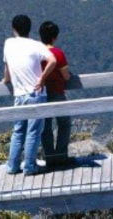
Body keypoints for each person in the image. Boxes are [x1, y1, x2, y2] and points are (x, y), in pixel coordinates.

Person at [3, 14, 57, 175]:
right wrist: (42, 78)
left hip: (19, 94)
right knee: (33, 132)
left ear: (14, 29)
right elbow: (52, 60)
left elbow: (7, 67)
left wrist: (6, 79)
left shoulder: (9, 43)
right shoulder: (37, 45)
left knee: (18, 131)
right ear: (29, 29)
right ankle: (29, 166)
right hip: (36, 93)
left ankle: (12, 166)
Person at [38, 20, 73, 168]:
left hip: (42, 94)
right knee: (64, 124)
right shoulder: (58, 54)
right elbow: (66, 76)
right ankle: (61, 156)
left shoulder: (37, 53)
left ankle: (50, 157)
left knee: (45, 127)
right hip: (58, 93)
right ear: (55, 37)